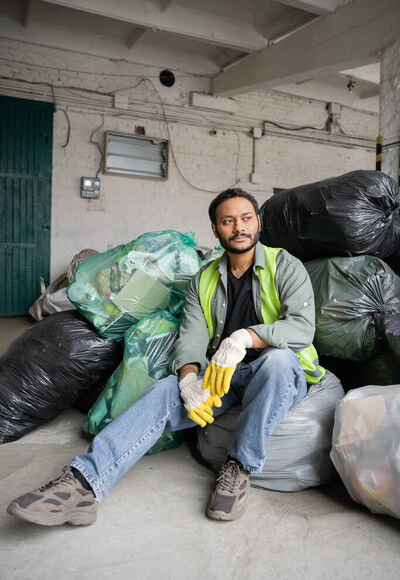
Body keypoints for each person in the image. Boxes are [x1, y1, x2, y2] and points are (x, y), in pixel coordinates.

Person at [7, 188, 324, 526]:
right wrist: (187, 378)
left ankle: (239, 466)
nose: (239, 227)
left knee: (278, 361)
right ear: (215, 230)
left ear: (258, 223)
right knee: (163, 391)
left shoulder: (285, 266)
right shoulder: (204, 279)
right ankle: (82, 483)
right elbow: (191, 336)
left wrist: (245, 338)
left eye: (246, 219)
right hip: (222, 376)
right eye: (228, 221)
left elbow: (302, 329)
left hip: (277, 373)